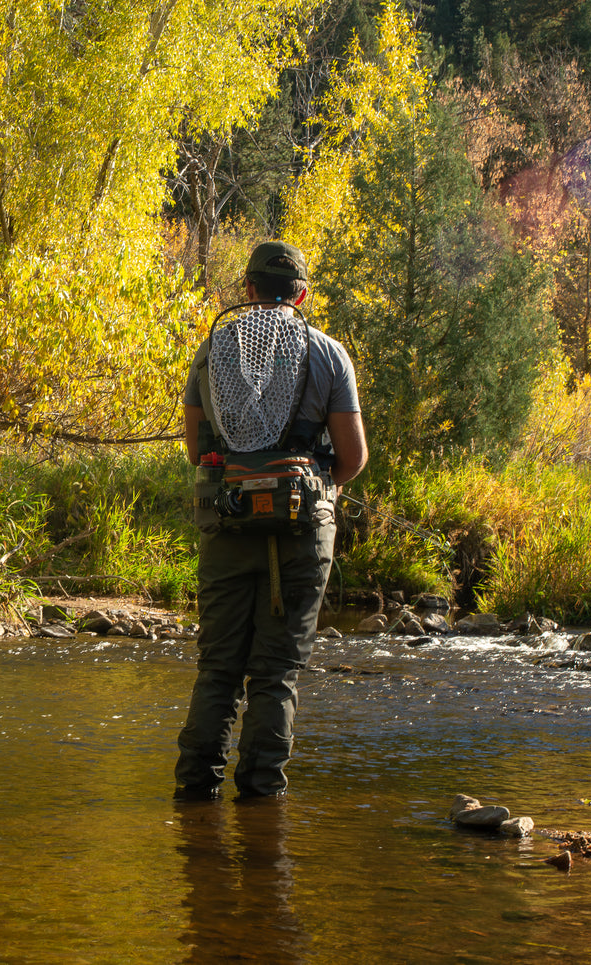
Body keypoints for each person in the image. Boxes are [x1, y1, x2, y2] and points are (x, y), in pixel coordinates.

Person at [175, 240, 368, 801]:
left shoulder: (211, 352)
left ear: (248, 291)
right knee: (275, 674)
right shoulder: (329, 355)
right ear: (301, 295)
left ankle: (194, 797)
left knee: (217, 671)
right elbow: (352, 461)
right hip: (302, 531)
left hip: (227, 523)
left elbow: (194, 449)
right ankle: (261, 806)